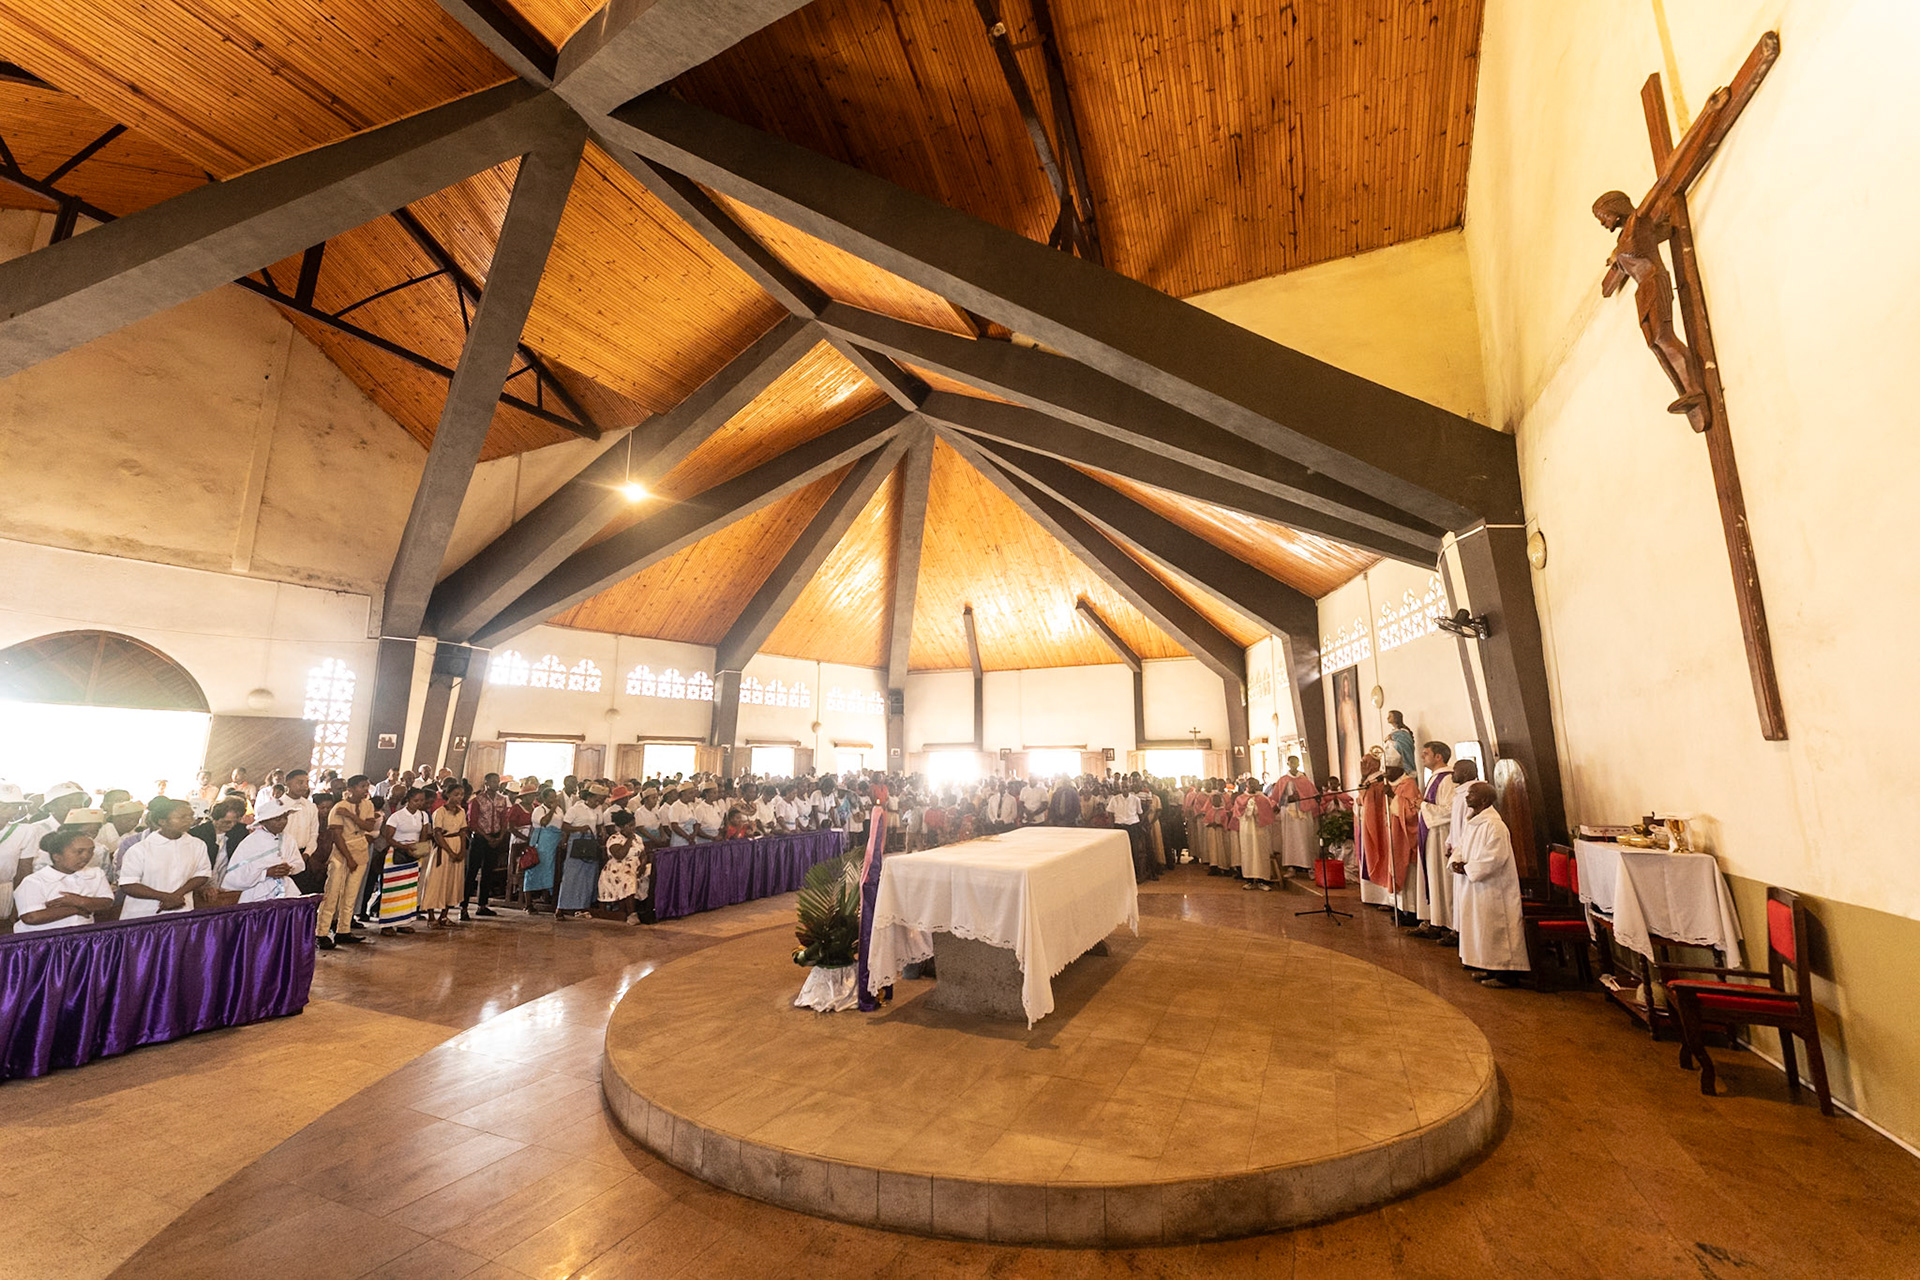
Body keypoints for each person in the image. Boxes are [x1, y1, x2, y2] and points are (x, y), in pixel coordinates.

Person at [1451, 782, 1530, 985]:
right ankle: (1489, 967)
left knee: (1497, 929)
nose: (1467, 797)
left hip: (1494, 887)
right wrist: (1456, 862)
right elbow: (1461, 847)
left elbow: (1495, 857)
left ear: (1484, 800)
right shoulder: (1473, 822)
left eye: (1472, 794)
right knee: (1483, 928)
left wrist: (1468, 868)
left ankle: (1507, 974)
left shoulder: (1495, 825)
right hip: (1475, 886)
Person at [117, 798, 211, 919]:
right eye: (182, 817)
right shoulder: (140, 849)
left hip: (182, 909)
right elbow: (128, 884)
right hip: (145, 913)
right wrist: (165, 897)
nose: (189, 820)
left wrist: (178, 895)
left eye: (190, 816)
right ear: (162, 821)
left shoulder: (197, 845)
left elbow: (202, 874)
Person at [14, 828, 115, 931]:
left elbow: (107, 902)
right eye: (79, 851)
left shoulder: (96, 874)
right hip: (44, 937)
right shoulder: (35, 881)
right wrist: (74, 909)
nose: (86, 856)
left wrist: (79, 901)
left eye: (90, 851)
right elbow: (31, 917)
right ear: (57, 857)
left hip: (83, 933)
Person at [316, 775, 376, 948]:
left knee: (351, 893)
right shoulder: (339, 807)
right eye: (362, 786)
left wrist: (351, 816)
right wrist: (349, 858)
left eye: (367, 786)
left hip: (360, 850)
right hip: (341, 853)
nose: (365, 790)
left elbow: (369, 826)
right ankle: (321, 933)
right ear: (350, 789)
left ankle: (344, 930)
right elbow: (337, 836)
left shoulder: (368, 805)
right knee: (332, 893)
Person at [221, 792, 303, 902]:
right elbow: (236, 875)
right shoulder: (251, 842)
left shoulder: (288, 839)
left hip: (286, 890)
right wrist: (266, 873)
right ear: (264, 821)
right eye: (277, 819)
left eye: (285, 818)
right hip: (257, 893)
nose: (283, 822)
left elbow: (298, 863)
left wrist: (289, 868)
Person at [1413, 743, 1459, 940]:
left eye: (1426, 754)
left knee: (1442, 879)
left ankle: (1446, 922)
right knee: (1432, 877)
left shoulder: (1448, 779)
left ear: (1439, 757)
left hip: (1441, 835)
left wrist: (1423, 805)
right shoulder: (1434, 777)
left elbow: (1450, 810)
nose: (1422, 757)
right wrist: (1421, 806)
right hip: (1431, 835)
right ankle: (1434, 920)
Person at [374, 788, 428, 935]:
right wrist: (405, 847)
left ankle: (404, 922)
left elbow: (423, 835)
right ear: (408, 800)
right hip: (397, 855)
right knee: (392, 890)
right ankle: (387, 924)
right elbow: (389, 838)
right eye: (416, 800)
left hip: (413, 855)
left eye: (422, 800)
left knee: (409, 890)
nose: (419, 803)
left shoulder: (423, 815)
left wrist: (418, 849)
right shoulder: (397, 817)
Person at [421, 781, 470, 928]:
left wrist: (462, 850)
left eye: (461, 794)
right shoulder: (440, 812)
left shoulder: (461, 812)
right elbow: (437, 834)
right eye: (456, 794)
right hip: (444, 847)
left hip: (457, 844)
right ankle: (431, 917)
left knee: (452, 881)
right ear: (448, 795)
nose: (459, 797)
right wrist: (450, 851)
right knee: (436, 881)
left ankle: (444, 915)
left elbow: (463, 832)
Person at [556, 783, 607, 920]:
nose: (598, 802)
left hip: (591, 842)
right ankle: (561, 908)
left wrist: (601, 830)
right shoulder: (576, 809)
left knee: (588, 876)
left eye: (600, 800)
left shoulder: (598, 809)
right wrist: (579, 829)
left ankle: (583, 907)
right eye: (596, 799)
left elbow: (599, 824)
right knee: (571, 876)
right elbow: (564, 826)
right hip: (577, 842)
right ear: (589, 797)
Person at [1270, 757, 1319, 878]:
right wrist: (1289, 798)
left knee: (1305, 838)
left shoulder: (1304, 780)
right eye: (1291, 762)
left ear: (1298, 764)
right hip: (1289, 814)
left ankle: (1309, 868)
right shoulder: (1283, 780)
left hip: (1303, 812)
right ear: (1288, 764)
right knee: (1290, 840)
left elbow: (1313, 795)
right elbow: (1277, 799)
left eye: (1296, 762)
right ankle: (1291, 867)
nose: (1294, 764)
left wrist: (1302, 798)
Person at [598, 809, 646, 925]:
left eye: (634, 825)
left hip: (636, 866)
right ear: (622, 827)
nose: (633, 828)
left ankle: (648, 909)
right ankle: (631, 914)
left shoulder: (638, 838)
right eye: (630, 825)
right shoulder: (614, 839)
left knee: (652, 874)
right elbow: (620, 855)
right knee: (628, 878)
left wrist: (643, 865)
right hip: (617, 868)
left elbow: (643, 854)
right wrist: (629, 840)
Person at [521, 786, 564, 912]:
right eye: (550, 798)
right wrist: (552, 809)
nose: (553, 800)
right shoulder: (539, 810)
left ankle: (548, 898)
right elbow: (544, 822)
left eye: (554, 797)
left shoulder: (559, 810)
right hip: (541, 844)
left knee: (551, 871)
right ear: (544, 799)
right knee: (534, 870)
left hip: (554, 843)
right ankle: (528, 903)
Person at [1233, 781, 1277, 890]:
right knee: (1248, 853)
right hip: (1247, 830)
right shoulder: (1240, 799)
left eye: (1255, 784)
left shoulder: (1263, 799)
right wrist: (1249, 809)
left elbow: (1268, 814)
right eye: (1251, 784)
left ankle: (1263, 880)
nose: (1253, 786)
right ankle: (1249, 880)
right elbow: (1238, 814)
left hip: (1260, 830)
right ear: (1247, 786)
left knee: (1261, 854)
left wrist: (1257, 810)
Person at [1385, 712, 1419, 788]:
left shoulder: (1403, 733)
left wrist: (1392, 740)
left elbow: (1405, 748)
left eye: (1390, 716)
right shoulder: (1394, 732)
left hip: (1402, 765)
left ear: (1396, 718)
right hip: (1393, 768)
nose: (1387, 718)